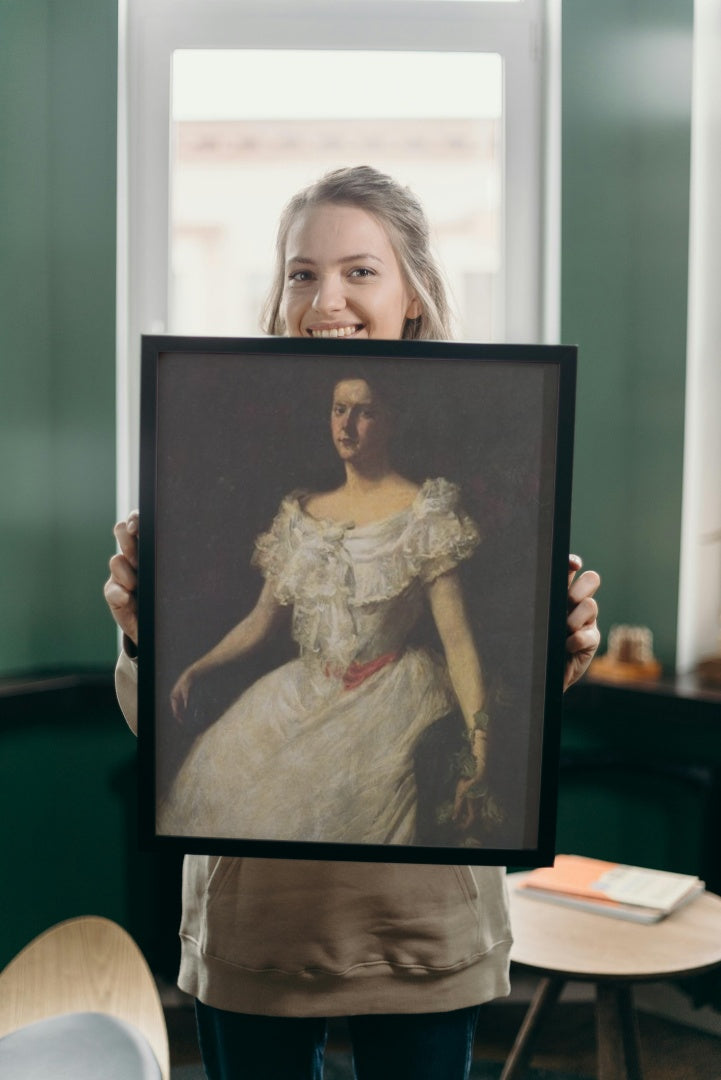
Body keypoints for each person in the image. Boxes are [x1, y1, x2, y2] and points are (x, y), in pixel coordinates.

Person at [105, 166, 601, 1080]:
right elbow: (219, 665)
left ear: (412, 293)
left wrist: (553, 656)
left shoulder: (434, 503)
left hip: (414, 921)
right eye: (301, 272)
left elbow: (464, 651)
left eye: (359, 271)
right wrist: (154, 644)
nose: (325, 297)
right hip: (257, 924)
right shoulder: (286, 503)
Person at [159, 371, 489, 845]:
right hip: (304, 689)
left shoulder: (424, 514)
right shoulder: (302, 514)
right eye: (339, 409)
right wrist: (198, 667)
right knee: (232, 785)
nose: (347, 424)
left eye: (365, 411)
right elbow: (259, 622)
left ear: (391, 421)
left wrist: (480, 758)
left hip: (385, 699)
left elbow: (459, 648)